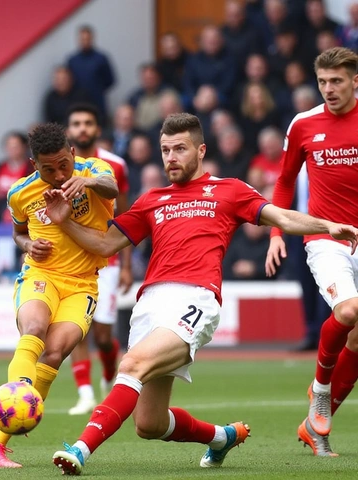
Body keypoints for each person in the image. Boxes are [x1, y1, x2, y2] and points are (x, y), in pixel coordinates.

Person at [42, 113, 358, 475]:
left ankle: (80, 449)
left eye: (180, 148)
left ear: (201, 150)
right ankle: (220, 437)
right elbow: (102, 244)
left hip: (195, 299)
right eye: (165, 150)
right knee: (149, 424)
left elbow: (283, 218)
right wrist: (64, 221)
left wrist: (327, 225)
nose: (171, 157)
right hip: (150, 305)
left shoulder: (230, 190)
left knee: (130, 365)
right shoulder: (151, 200)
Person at [0, 122, 118, 468]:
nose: (58, 175)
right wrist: (28, 244)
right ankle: (21, 394)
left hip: (83, 282)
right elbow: (18, 232)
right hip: (41, 275)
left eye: (63, 165)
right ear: (33, 165)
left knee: (55, 353)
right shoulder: (20, 193)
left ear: (72, 153)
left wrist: (84, 181)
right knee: (35, 329)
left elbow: (112, 188)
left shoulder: (93, 170)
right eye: (47, 169)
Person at [265, 46, 358, 457]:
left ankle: (314, 429)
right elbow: (284, 182)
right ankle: (320, 391)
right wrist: (276, 233)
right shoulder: (303, 124)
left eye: (336, 81)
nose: (328, 89)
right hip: (325, 239)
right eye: (322, 82)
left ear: (355, 80)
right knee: (349, 312)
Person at [64, 103, 132, 415]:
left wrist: (128, 265)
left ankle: (107, 374)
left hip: (108, 260)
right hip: (72, 260)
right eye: (76, 123)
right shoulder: (59, 165)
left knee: (103, 337)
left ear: (97, 128)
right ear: (69, 130)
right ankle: (85, 394)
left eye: (87, 123)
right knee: (77, 328)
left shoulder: (115, 165)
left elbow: (127, 217)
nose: (82, 128)